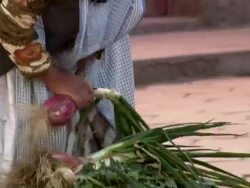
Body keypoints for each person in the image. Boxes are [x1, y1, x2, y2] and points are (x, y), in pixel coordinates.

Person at [0, 0, 145, 176]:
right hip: (21, 57)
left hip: (90, 58)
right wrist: (55, 78)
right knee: (32, 168)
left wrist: (82, 62)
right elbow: (9, 24)